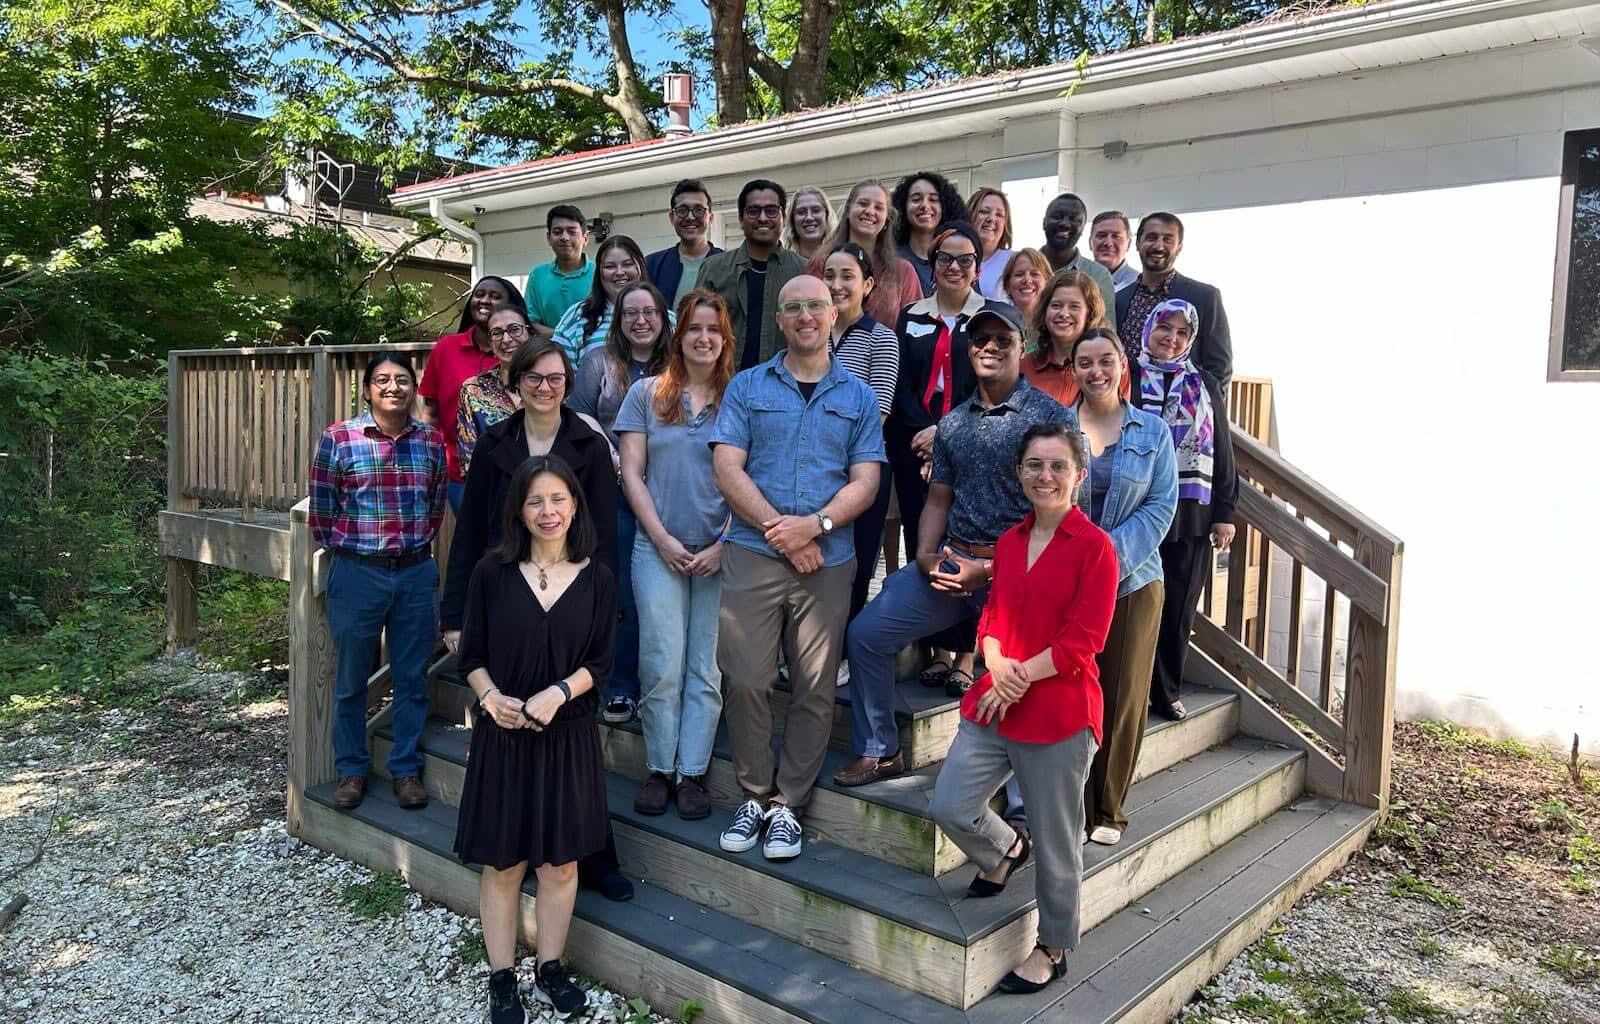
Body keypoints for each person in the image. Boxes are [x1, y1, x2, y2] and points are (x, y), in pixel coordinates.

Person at [840, 301, 1070, 787]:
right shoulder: (955, 423)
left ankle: (1023, 799)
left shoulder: (1050, 419)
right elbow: (939, 497)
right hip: (953, 562)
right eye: (980, 339)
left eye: (1001, 340)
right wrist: (925, 555)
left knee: (1017, 674)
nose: (989, 348)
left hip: (1020, 577)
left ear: (1021, 347)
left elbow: (1060, 519)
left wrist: (988, 572)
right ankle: (880, 749)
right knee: (865, 635)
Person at [928, 423, 1118, 997]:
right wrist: (992, 658)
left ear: (1079, 476)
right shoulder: (1009, 543)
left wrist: (1016, 678)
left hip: (1058, 710)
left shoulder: (1096, 549)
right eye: (1034, 465)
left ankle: (1055, 946)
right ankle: (1007, 847)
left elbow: (1083, 641)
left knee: (1060, 841)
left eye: (1058, 466)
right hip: (997, 698)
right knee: (950, 804)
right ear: (1020, 474)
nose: (1045, 476)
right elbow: (990, 618)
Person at [441, 338, 632, 902]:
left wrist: (602, 610)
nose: (544, 387)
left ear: (567, 383)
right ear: (515, 382)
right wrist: (454, 615)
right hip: (507, 602)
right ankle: (516, 852)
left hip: (573, 600)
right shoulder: (496, 442)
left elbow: (601, 536)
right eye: (533, 378)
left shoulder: (587, 444)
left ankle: (591, 856)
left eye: (555, 378)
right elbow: (470, 530)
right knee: (511, 730)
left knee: (573, 742)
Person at [710, 275, 884, 861]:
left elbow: (867, 480)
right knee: (747, 677)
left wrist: (818, 527)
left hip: (828, 561)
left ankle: (788, 805)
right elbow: (728, 469)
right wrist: (782, 532)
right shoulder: (747, 386)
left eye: (816, 304)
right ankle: (754, 793)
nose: (806, 315)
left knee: (813, 687)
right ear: (781, 320)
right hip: (756, 554)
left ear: (833, 314)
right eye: (794, 307)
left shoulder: (857, 396)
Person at [455, 455, 613, 1022]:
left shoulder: (597, 576)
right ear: (519, 512)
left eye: (558, 500)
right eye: (535, 502)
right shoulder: (490, 574)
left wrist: (560, 693)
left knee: (560, 867)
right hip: (504, 738)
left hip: (566, 738)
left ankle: (550, 968)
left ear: (575, 505)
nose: (548, 512)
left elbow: (601, 662)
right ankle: (501, 978)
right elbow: (470, 657)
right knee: (502, 865)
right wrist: (491, 696)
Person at [616, 288, 735, 820]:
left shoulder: (743, 395)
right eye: (694, 328)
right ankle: (660, 767)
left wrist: (724, 541)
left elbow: (756, 478)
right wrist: (660, 537)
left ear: (724, 338)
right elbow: (631, 473)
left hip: (721, 549)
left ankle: (693, 772)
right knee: (661, 661)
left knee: (706, 666)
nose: (703, 338)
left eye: (713, 329)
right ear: (678, 335)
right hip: (656, 546)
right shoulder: (646, 394)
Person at [309, 352, 446, 813]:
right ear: (367, 389)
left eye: (403, 379)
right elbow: (323, 512)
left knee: (411, 678)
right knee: (350, 679)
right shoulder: (339, 438)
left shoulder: (430, 440)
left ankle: (405, 770)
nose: (394, 387)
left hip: (413, 571)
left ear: (413, 387)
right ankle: (351, 768)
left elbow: (435, 505)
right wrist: (350, 552)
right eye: (383, 380)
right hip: (357, 573)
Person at [1063, 328, 1177, 846]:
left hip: (1133, 581)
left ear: (1122, 364)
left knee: (1122, 695)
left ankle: (1108, 810)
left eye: (1105, 360)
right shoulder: (1058, 429)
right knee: (1071, 691)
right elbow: (1042, 493)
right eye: (1085, 362)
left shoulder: (1153, 433)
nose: (1096, 371)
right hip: (1067, 582)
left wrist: (1105, 558)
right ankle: (1071, 803)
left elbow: (1161, 507)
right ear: (1074, 369)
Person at [887, 221, 986, 691]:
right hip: (914, 447)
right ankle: (937, 648)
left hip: (970, 450)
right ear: (933, 264)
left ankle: (966, 654)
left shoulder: (992, 318)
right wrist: (924, 432)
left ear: (977, 267)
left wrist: (944, 431)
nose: (954, 267)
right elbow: (900, 382)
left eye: (965, 260)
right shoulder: (910, 316)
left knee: (966, 542)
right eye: (945, 258)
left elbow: (989, 387)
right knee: (923, 542)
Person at [570, 281, 672, 725]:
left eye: (649, 311)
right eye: (630, 313)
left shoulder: (680, 362)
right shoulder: (599, 362)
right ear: (619, 320)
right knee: (626, 593)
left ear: (663, 317)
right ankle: (622, 686)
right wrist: (610, 451)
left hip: (674, 491)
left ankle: (666, 687)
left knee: (668, 594)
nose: (640, 320)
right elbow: (575, 412)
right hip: (616, 491)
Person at [1132, 300, 1237, 723]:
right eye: (1164, 328)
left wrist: (1225, 512)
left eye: (1180, 332)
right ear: (1149, 329)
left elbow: (1224, 450)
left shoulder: (1206, 383)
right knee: (1132, 602)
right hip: (1137, 503)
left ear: (1190, 339)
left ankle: (1166, 691)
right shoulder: (1129, 374)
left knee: (1178, 606)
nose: (1170, 338)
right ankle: (1130, 688)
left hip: (1191, 509)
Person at [822, 242, 900, 619]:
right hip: (816, 467)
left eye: (847, 276)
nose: (837, 284)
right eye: (830, 275)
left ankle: (844, 651)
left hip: (862, 467)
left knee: (857, 561)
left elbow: (878, 412)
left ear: (867, 284)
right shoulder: (812, 336)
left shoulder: (881, 337)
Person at [419, 276, 527, 511]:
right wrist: (429, 461)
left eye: (495, 296)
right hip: (460, 473)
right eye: (480, 294)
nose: (485, 300)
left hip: (524, 472)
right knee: (479, 543)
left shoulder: (525, 354)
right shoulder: (446, 349)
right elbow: (431, 414)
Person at [1115, 212, 1234, 395]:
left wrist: (1202, 410)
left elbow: (1219, 369)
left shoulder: (1204, 298)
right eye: (1152, 237)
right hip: (1125, 409)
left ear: (1179, 248)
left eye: (1168, 240)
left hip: (1180, 414)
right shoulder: (1120, 299)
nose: (1159, 246)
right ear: (1138, 244)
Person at [695, 179, 806, 371]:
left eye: (771, 210)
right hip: (724, 385)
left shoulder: (802, 271)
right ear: (740, 218)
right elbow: (695, 329)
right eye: (753, 211)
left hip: (784, 386)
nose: (762, 218)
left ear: (784, 218)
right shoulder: (714, 269)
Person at [804, 179, 921, 329]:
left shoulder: (903, 272)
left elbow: (915, 330)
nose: (870, 211)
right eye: (863, 204)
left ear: (886, 220)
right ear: (848, 211)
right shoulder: (820, 264)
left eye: (878, 207)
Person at [551, 234, 649, 366]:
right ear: (599, 273)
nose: (619, 272)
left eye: (628, 264)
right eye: (610, 266)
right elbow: (559, 371)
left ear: (641, 267)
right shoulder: (576, 316)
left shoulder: (664, 316)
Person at [455, 305, 530, 479]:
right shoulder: (473, 390)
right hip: (493, 490)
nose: (506, 339)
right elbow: (469, 459)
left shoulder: (548, 383)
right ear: (490, 342)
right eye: (497, 333)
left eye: (514, 329)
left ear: (529, 333)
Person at [1023, 269, 1107, 405]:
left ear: (1089, 314)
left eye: (1074, 307)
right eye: (1056, 306)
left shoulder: (1110, 366)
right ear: (1045, 310)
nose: (1064, 313)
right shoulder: (1023, 367)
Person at [645, 179, 722, 310]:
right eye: (682, 210)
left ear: (710, 218)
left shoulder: (727, 265)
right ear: (671, 217)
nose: (690, 217)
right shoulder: (652, 265)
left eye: (698, 210)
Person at [1040, 193, 1117, 315]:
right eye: (1057, 216)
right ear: (1044, 222)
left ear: (1082, 229)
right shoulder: (1022, 269)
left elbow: (1105, 331)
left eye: (1074, 219)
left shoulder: (1098, 276)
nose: (1065, 224)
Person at [524, 205, 593, 339]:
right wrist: (564, 337)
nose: (564, 237)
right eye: (557, 232)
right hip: (549, 353)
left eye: (572, 232)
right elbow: (530, 322)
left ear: (585, 238)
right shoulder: (537, 275)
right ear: (549, 238)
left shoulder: (600, 273)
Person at [891, 171, 965, 295]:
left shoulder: (961, 258)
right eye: (916, 199)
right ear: (903, 207)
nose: (925, 205)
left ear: (944, 207)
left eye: (933, 199)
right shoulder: (891, 258)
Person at [967, 187, 1014, 300]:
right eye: (984, 212)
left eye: (999, 215)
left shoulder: (1015, 262)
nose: (991, 218)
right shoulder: (950, 260)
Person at [1000, 248, 1049, 340]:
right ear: (1007, 284)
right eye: (1019, 274)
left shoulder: (1055, 325)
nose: (1027, 280)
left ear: (1047, 282)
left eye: (1035, 274)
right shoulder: (997, 324)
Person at [1091, 210, 1138, 291]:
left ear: (1129, 243)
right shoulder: (1076, 280)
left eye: (1116, 236)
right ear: (1090, 242)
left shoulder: (1138, 284)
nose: (1108, 243)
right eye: (1101, 236)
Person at [786, 186, 833, 262]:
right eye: (801, 212)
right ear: (792, 219)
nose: (809, 218)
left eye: (816, 210)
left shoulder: (842, 259)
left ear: (827, 215)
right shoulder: (783, 262)